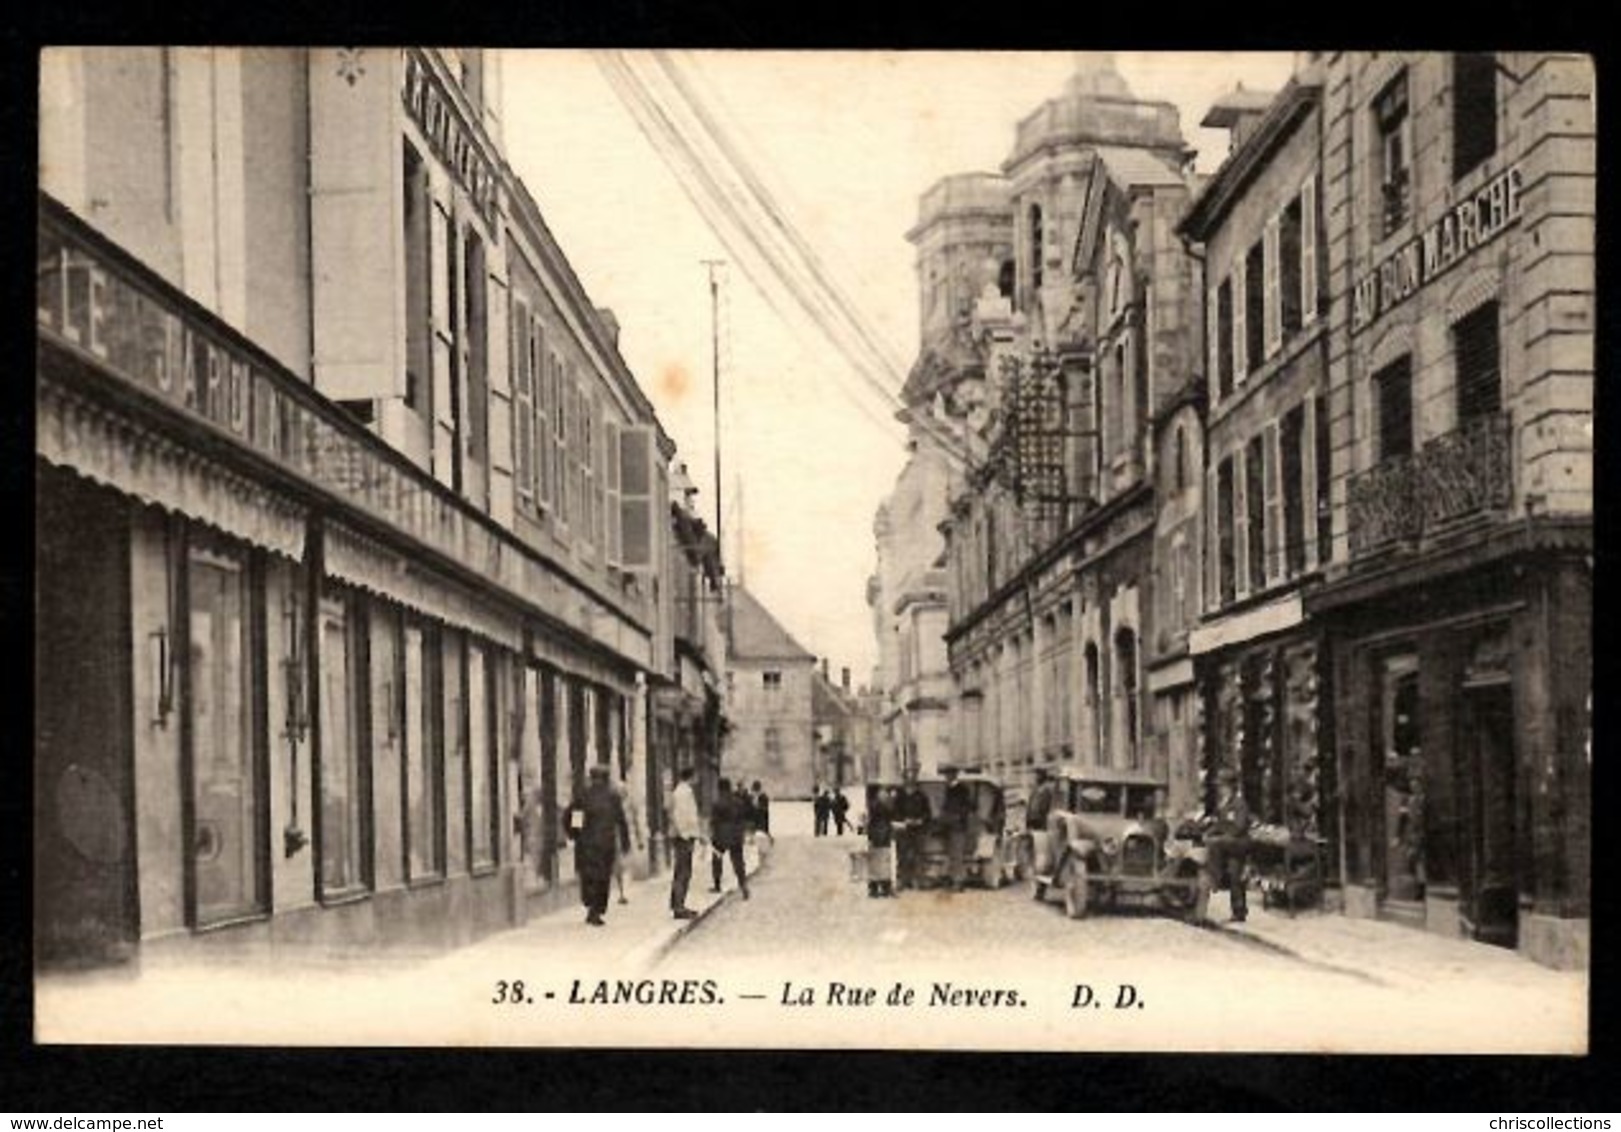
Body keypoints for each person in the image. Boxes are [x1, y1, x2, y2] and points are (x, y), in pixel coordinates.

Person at [565, 764, 630, 926]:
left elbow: (572, 817)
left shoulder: (583, 795)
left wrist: (574, 834)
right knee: (602, 877)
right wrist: (625, 840)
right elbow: (621, 821)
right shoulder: (612, 796)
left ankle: (590, 905)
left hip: (586, 844)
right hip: (605, 844)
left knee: (588, 876)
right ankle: (597, 909)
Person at [1205, 768, 1253, 923]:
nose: (1221, 789)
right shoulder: (1223, 805)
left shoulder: (1239, 804)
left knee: (1214, 844)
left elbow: (1239, 827)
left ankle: (1215, 878)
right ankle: (1239, 912)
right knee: (1235, 874)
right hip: (1229, 844)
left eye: (1223, 786)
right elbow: (1219, 824)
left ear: (1231, 787)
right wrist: (1208, 832)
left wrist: (1221, 836)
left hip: (1239, 843)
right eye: (1220, 787)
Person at [667, 766, 701, 920]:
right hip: (684, 837)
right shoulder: (684, 793)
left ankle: (678, 904)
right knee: (683, 871)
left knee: (682, 870)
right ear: (691, 776)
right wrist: (687, 835)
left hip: (683, 835)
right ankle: (679, 907)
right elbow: (681, 815)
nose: (697, 779)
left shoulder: (682, 791)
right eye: (696, 776)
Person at [709, 778, 750, 899]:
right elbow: (743, 819)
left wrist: (713, 836)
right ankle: (743, 885)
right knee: (738, 862)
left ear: (719, 788)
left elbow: (714, 822)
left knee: (717, 860)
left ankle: (717, 885)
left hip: (721, 836)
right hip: (736, 835)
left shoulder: (717, 803)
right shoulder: (738, 802)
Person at [894, 772, 932, 891]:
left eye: (912, 782)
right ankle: (903, 880)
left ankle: (919, 880)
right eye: (908, 782)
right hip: (904, 830)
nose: (910, 785)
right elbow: (895, 813)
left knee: (919, 855)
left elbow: (927, 813)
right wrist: (904, 820)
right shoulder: (899, 797)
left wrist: (921, 820)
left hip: (918, 830)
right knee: (902, 856)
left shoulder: (922, 796)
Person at [612, 775, 646, 905]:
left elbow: (636, 822)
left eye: (623, 791)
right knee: (619, 865)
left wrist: (639, 838)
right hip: (616, 837)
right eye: (619, 791)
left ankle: (624, 891)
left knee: (626, 865)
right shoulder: (612, 803)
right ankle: (622, 891)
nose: (621, 793)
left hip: (628, 836)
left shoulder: (630, 804)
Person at [941, 766, 973, 893]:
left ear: (954, 775)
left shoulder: (962, 789)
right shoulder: (948, 789)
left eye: (948, 775)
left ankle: (958, 881)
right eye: (946, 775)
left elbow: (967, 807)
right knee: (952, 854)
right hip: (949, 826)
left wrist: (958, 817)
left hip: (958, 826)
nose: (947, 777)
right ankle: (953, 879)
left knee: (957, 854)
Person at [864, 787, 897, 898]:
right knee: (878, 861)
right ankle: (877, 887)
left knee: (883, 861)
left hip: (882, 835)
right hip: (878, 835)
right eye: (883, 794)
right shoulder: (877, 806)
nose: (886, 796)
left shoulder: (880, 805)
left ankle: (881, 887)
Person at [1026, 766, 1057, 833]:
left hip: (1039, 820)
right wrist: (1028, 818)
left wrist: (1041, 819)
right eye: (1036, 775)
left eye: (1038, 775)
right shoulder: (1035, 789)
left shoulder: (1046, 790)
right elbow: (1030, 804)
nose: (1036, 777)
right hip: (1032, 818)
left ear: (1042, 776)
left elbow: (1044, 808)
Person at [751, 781, 773, 853]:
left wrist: (756, 807)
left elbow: (764, 811)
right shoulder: (754, 797)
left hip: (761, 824)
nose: (753, 792)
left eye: (754, 790)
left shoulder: (763, 797)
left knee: (762, 845)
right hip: (759, 824)